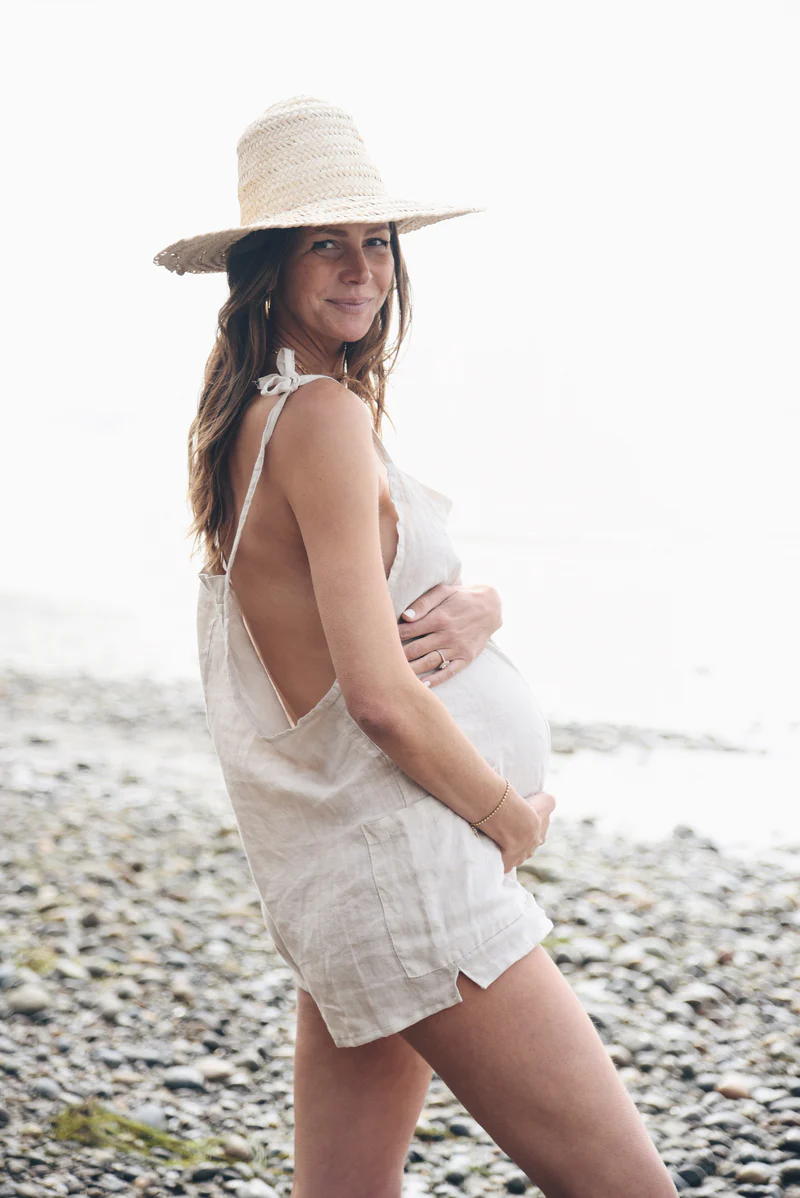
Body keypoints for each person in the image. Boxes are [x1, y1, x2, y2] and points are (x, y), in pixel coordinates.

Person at [154, 96, 678, 1198]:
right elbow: (379, 694)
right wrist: (507, 818)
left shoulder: (259, 421)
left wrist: (477, 603)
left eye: (375, 241)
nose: (361, 267)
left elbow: (360, 609)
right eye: (325, 243)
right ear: (267, 267)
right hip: (411, 875)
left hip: (351, 876)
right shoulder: (323, 421)